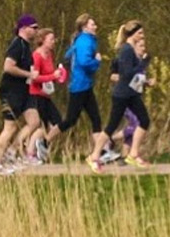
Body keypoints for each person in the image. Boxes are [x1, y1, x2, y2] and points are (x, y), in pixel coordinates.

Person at [92, 21, 155, 171]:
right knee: (111, 126)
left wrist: (144, 80)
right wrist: (144, 63)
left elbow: (133, 75)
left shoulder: (131, 49)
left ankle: (133, 154)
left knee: (144, 121)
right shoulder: (126, 50)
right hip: (122, 94)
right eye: (140, 33)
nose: (142, 36)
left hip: (131, 94)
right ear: (132, 34)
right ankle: (94, 156)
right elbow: (126, 74)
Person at [0, 15, 40, 175]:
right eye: (34, 27)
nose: (36, 30)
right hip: (10, 91)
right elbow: (8, 67)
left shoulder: (26, 46)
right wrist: (28, 74)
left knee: (34, 121)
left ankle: (11, 153)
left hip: (24, 91)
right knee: (9, 127)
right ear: (23, 28)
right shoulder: (17, 45)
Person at [23, 27, 68, 164]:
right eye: (51, 39)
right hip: (35, 94)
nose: (54, 42)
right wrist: (51, 76)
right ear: (42, 40)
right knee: (40, 126)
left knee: (58, 123)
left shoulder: (49, 55)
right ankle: (30, 154)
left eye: (54, 39)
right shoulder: (36, 56)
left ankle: (42, 145)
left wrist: (58, 75)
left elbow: (49, 75)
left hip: (46, 95)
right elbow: (34, 78)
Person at [61, 15, 104, 157]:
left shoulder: (82, 40)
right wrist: (96, 61)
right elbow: (84, 62)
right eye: (92, 24)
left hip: (84, 85)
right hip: (80, 86)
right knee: (70, 120)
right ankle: (43, 141)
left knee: (95, 118)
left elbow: (68, 55)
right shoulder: (84, 41)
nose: (95, 26)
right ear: (85, 27)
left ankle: (100, 152)